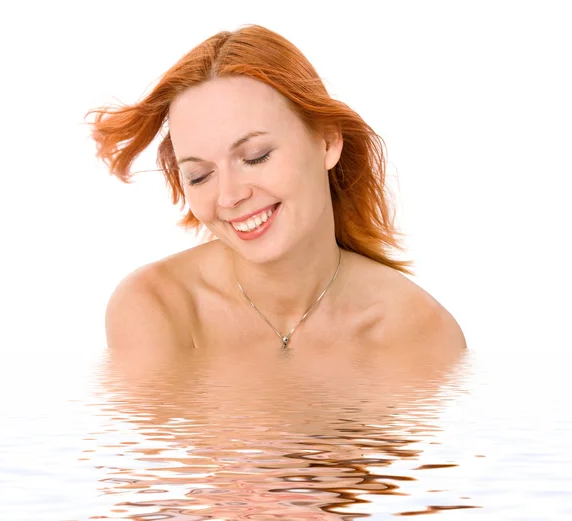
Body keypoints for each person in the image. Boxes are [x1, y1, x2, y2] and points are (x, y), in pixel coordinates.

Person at [87, 24, 466, 361]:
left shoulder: (421, 335)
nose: (229, 196)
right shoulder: (156, 306)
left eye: (256, 156)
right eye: (200, 175)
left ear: (328, 140)